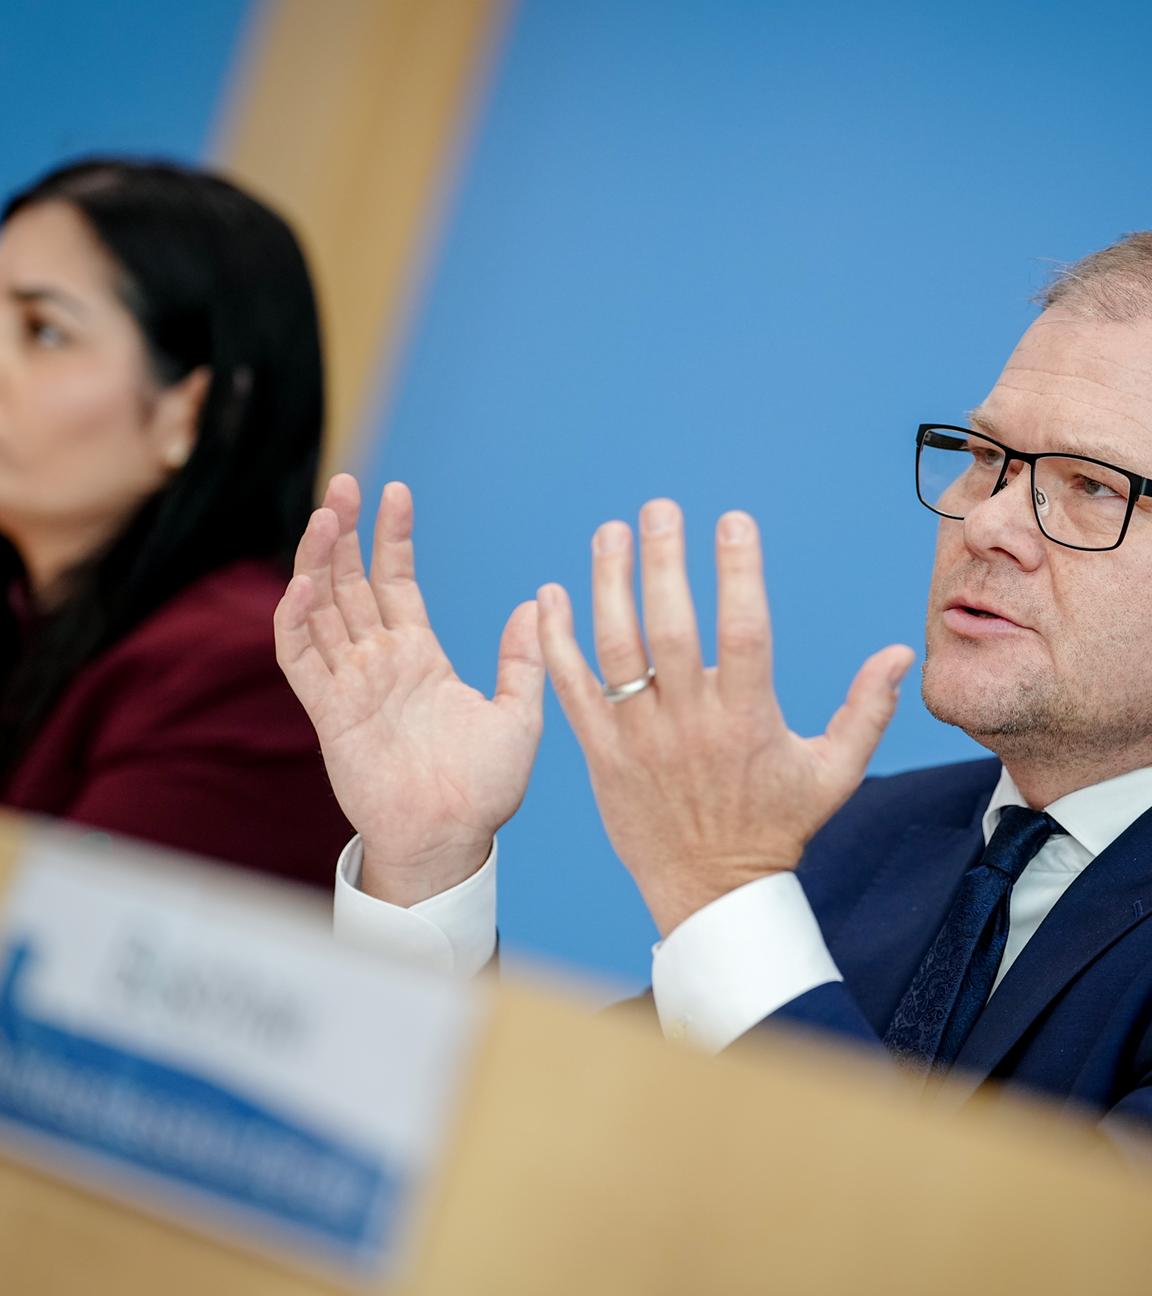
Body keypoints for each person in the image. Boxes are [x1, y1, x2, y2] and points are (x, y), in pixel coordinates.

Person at [276, 233, 1152, 1131]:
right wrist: (427, 866)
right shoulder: (863, 840)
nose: (989, 522)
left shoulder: (756, 866)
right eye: (985, 456)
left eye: (1089, 484)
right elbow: (539, 1163)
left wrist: (723, 895)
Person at [0, 159, 349, 883]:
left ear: (195, 410)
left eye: (44, 332)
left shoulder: (245, 669)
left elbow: (55, 968)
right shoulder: (28, 612)